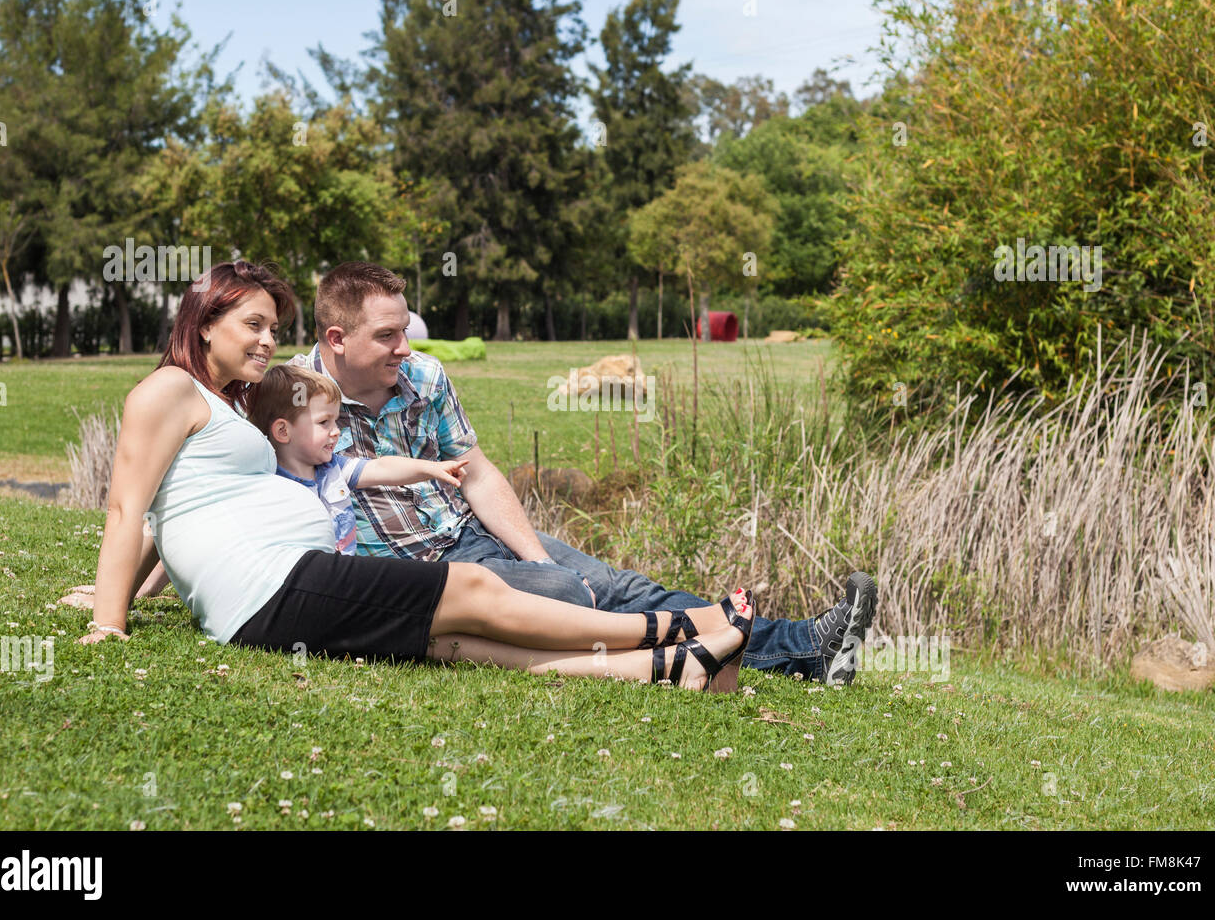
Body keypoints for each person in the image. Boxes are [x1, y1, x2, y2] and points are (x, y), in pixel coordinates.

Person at [71, 261, 755, 693]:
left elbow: (179, 512)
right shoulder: (167, 390)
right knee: (479, 588)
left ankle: (670, 669)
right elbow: (130, 510)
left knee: (457, 644)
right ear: (205, 320)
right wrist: (110, 619)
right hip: (275, 582)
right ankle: (688, 625)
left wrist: (130, 591)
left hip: (280, 585)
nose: (265, 340)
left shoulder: (232, 403)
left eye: (273, 328)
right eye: (251, 324)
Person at [290, 261, 878, 683]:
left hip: (469, 531)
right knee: (581, 600)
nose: (404, 349)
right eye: (387, 336)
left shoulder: (425, 377)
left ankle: (804, 648)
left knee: (623, 588)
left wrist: (532, 555)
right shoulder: (289, 398)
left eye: (404, 331)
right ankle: (799, 651)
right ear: (337, 339)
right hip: (421, 575)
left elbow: (476, 471)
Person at [246, 364, 469, 555]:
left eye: (335, 422)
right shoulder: (269, 486)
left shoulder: (333, 468)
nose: (335, 432)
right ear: (283, 431)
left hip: (343, 575)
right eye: (324, 422)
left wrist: (432, 469)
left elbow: (382, 467)